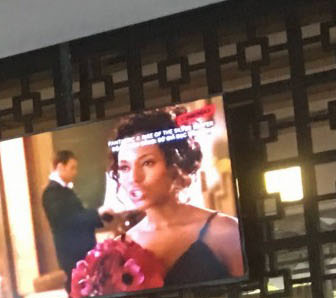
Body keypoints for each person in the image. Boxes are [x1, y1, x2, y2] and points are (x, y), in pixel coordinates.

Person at [111, 109, 242, 285]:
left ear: (175, 166)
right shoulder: (119, 248)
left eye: (147, 163)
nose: (134, 178)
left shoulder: (225, 230)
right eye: (125, 167)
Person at [39, 150, 102, 274]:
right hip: (72, 255)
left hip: (79, 252)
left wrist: (102, 215)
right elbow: (69, 220)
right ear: (60, 167)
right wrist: (98, 213)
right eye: (72, 168)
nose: (75, 172)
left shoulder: (63, 190)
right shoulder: (52, 192)